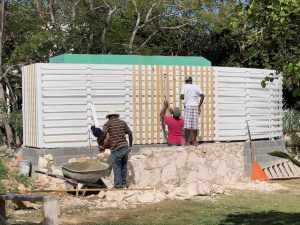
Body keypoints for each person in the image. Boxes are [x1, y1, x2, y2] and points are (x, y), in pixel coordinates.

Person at [102, 110, 133, 188]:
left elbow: (104, 133)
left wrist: (102, 144)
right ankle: (123, 184)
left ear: (109, 117)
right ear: (116, 115)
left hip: (116, 148)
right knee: (123, 166)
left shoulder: (107, 124)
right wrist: (130, 145)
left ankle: (118, 186)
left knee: (117, 167)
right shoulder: (123, 123)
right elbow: (130, 133)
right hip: (125, 147)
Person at [180, 76, 205, 146]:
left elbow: (181, 96)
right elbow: (202, 96)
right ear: (191, 81)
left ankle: (187, 141)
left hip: (188, 105)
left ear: (186, 81)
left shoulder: (184, 86)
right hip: (195, 106)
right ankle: (195, 141)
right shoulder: (196, 86)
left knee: (187, 125)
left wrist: (186, 96)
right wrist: (199, 106)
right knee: (195, 125)